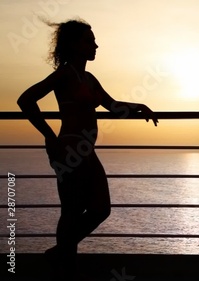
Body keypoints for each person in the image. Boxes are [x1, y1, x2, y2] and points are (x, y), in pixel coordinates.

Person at [17, 18, 158, 280]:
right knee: (70, 211)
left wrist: (139, 106)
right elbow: (25, 100)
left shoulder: (90, 78)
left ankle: (59, 253)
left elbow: (113, 106)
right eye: (89, 41)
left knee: (100, 209)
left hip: (86, 151)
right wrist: (50, 137)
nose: (95, 45)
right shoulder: (65, 74)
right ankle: (65, 266)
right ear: (73, 45)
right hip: (69, 149)